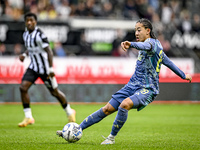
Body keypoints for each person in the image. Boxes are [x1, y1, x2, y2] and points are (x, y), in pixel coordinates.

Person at [56, 18, 192, 144]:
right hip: (132, 85)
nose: (136, 33)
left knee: (124, 104)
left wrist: (131, 44)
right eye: (135, 30)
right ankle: (75, 130)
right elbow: (168, 62)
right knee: (107, 109)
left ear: (148, 31)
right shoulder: (153, 48)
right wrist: (183, 75)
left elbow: (147, 47)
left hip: (148, 89)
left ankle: (111, 138)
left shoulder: (152, 44)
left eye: (139, 30)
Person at [18, 12, 76, 127]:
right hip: (33, 67)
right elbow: (31, 47)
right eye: (27, 20)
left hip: (44, 69)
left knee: (54, 92)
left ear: (36, 22)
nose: (29, 22)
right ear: (25, 22)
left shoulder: (40, 35)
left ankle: (69, 111)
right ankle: (28, 117)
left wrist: (50, 69)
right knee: (22, 88)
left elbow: (49, 51)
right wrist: (25, 54)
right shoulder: (25, 34)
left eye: (32, 20)